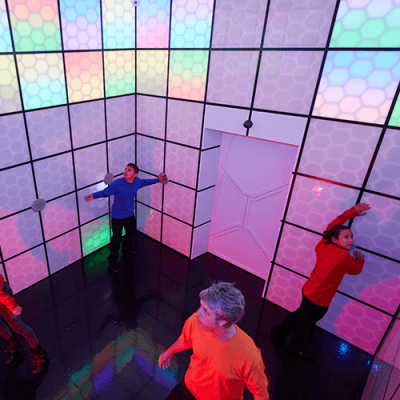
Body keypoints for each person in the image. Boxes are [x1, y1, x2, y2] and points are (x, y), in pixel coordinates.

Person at [271, 202, 370, 360]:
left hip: (308, 290)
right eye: (346, 237)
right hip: (319, 299)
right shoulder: (343, 256)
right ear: (335, 240)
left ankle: (278, 332)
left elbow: (332, 226)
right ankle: (296, 347)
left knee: (300, 314)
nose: (350, 240)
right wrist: (360, 261)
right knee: (305, 323)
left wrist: (352, 212)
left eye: (351, 236)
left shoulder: (323, 244)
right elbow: (356, 270)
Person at [159, 282, 270, 400]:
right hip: (188, 390)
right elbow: (185, 339)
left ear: (222, 321)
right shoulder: (195, 321)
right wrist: (168, 352)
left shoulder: (248, 354)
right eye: (201, 306)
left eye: (206, 311)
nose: (198, 313)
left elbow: (260, 394)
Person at [85, 163, 167, 272]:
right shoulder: (117, 184)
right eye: (125, 169)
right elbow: (106, 192)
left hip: (129, 215)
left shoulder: (137, 181)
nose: (125, 171)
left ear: (135, 174)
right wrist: (93, 195)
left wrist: (158, 180)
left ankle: (126, 246)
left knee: (131, 233)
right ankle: (112, 260)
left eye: (129, 170)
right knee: (116, 240)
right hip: (117, 217)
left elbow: (145, 182)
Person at [0, 274, 47, 374]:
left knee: (18, 327)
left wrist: (12, 305)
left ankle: (39, 353)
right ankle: (14, 345)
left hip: (2, 294)